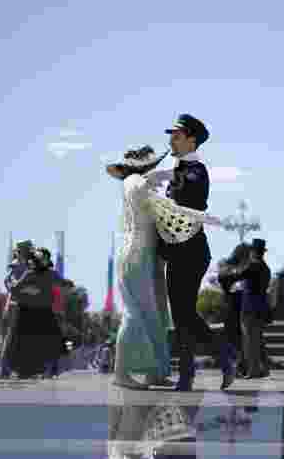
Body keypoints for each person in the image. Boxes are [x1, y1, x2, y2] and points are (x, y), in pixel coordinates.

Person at [154, 114, 235, 391]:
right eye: (171, 136)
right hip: (178, 253)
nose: (171, 141)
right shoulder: (178, 170)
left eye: (176, 136)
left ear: (191, 140)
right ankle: (208, 364)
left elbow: (186, 200)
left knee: (184, 314)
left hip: (192, 252)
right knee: (182, 315)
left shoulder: (196, 171)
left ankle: (208, 364)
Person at [105, 146, 180, 390]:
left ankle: (155, 371)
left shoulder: (135, 182)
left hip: (142, 254)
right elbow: (147, 194)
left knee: (152, 315)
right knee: (135, 312)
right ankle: (121, 372)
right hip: (135, 254)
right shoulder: (136, 182)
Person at [5, 248, 67, 379]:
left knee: (46, 342)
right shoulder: (30, 274)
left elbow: (63, 285)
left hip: (43, 312)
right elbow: (15, 290)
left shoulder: (50, 274)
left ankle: (46, 370)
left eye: (43, 258)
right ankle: (27, 370)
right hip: (28, 312)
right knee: (29, 343)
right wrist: (27, 291)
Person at [237, 238, 272, 384]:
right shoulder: (265, 267)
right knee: (257, 340)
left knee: (250, 340)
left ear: (253, 252)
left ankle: (254, 371)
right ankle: (262, 368)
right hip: (260, 307)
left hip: (250, 308)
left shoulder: (253, 266)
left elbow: (238, 274)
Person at [0, 241, 34, 380]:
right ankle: (6, 369)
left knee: (14, 338)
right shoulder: (20, 264)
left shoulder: (25, 265)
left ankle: (11, 369)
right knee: (12, 337)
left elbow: (10, 282)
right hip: (16, 305)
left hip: (19, 304)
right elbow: (9, 281)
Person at [217, 243, 252, 378]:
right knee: (234, 337)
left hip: (241, 305)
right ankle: (235, 367)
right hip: (232, 305)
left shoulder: (246, 266)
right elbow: (224, 278)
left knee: (240, 338)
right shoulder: (227, 265)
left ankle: (241, 367)